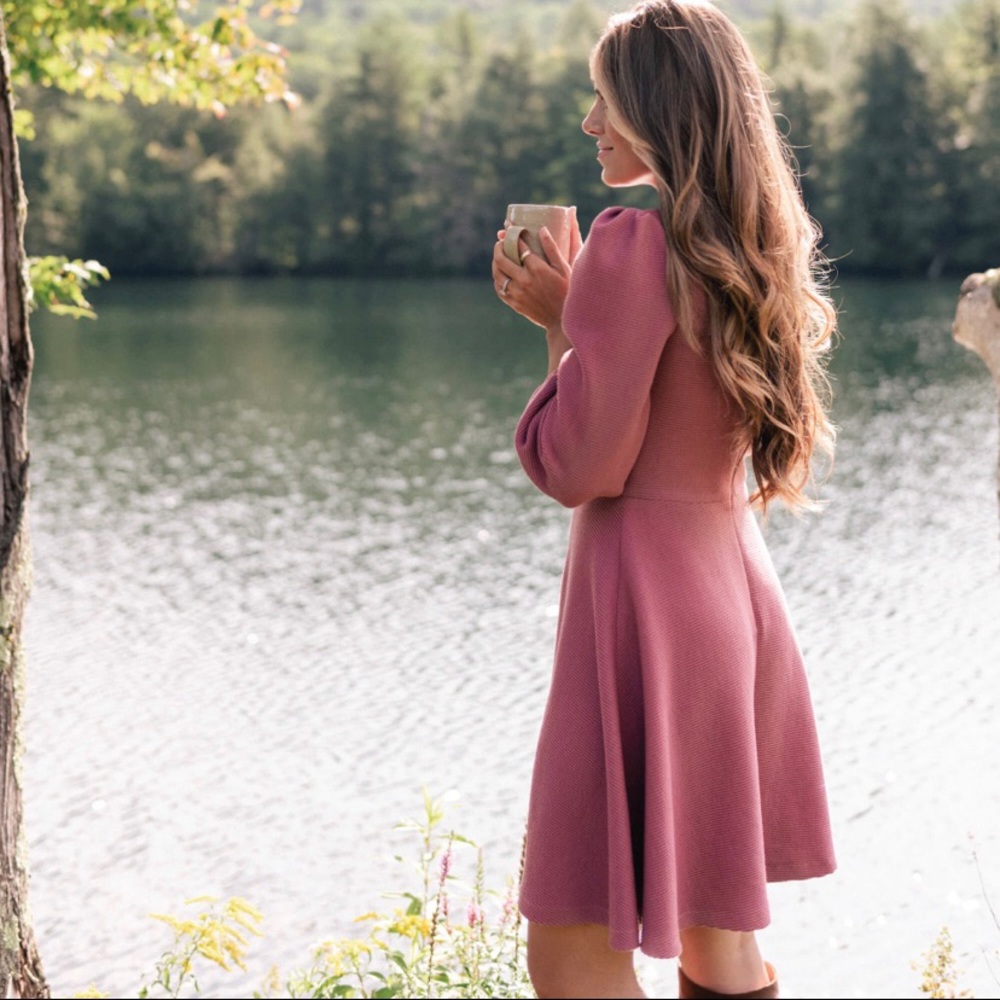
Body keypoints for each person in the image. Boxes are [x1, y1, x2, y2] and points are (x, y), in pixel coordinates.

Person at [490, 2, 837, 998]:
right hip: (729, 598)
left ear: (655, 107)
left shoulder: (630, 246)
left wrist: (562, 330)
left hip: (637, 600)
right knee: (714, 936)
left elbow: (580, 466)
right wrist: (581, 321)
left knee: (569, 950)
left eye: (603, 101)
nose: (589, 123)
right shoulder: (753, 242)